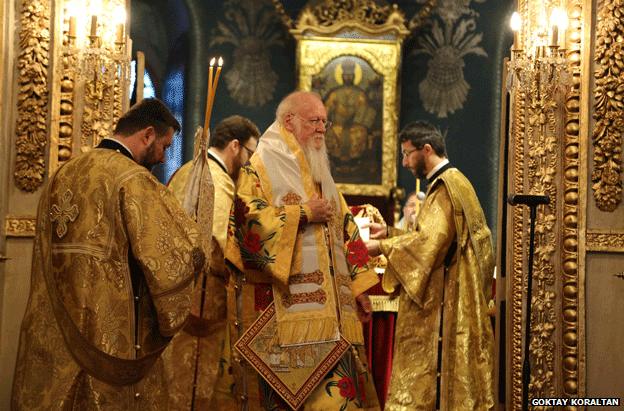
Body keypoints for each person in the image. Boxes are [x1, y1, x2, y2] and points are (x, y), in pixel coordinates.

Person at [12, 98, 205, 410]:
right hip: (109, 333)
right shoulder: (134, 179)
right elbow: (169, 258)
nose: (162, 156)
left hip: (54, 328)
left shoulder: (63, 174)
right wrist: (197, 252)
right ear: (147, 134)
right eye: (165, 146)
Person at [223, 91, 380, 410]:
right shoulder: (262, 165)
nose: (322, 127)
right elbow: (245, 222)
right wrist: (302, 213)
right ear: (289, 121)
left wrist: (359, 288)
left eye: (325, 120)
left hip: (334, 316)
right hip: (285, 316)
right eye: (314, 120)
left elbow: (344, 226)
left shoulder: (317, 165)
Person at [366, 121, 495, 410]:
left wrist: (383, 247)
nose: (405, 162)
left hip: (446, 302)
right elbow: (433, 238)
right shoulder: (457, 182)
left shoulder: (445, 188)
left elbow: (429, 246)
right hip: (457, 295)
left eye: (407, 154)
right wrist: (389, 233)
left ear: (426, 149)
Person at [163, 115, 260, 409]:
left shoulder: (187, 169)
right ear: (235, 146)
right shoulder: (218, 181)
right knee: (197, 385)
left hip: (170, 294)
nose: (249, 164)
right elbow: (219, 246)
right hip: (201, 303)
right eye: (250, 154)